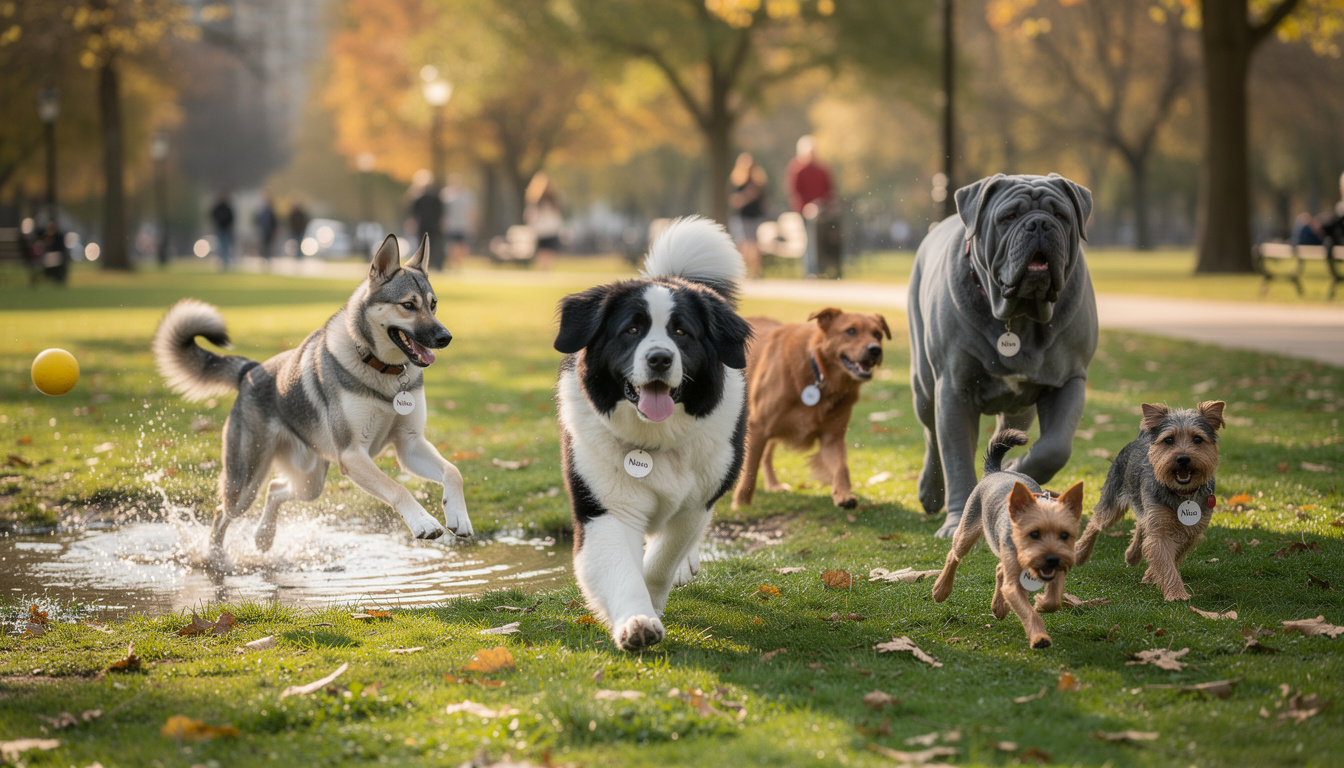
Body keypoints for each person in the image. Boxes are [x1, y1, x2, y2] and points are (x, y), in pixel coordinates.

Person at [784, 135, 837, 277]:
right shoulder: (797, 169)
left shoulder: (822, 169)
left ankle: (824, 269)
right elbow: (794, 191)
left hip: (822, 210)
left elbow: (829, 190)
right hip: (804, 211)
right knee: (809, 239)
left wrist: (821, 204)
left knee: (824, 240)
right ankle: (810, 271)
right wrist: (806, 206)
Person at [728, 152, 768, 279]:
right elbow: (733, 201)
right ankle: (741, 270)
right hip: (742, 217)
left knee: (754, 245)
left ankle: (755, 272)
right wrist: (747, 196)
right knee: (742, 244)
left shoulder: (759, 184)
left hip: (755, 217)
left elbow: (764, 202)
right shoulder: (737, 183)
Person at [524, 172, 563, 271]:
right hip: (543, 229)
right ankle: (544, 269)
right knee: (544, 251)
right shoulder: (537, 201)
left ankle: (545, 269)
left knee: (547, 250)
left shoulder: (553, 199)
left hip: (548, 229)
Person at [1293, 171, 1344, 247]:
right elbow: (1331, 222)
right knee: (1304, 226)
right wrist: (1314, 223)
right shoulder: (1339, 212)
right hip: (1328, 236)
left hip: (1334, 240)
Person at [409, 170, 445, 270]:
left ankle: (436, 264)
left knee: (434, 245)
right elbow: (414, 213)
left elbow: (440, 212)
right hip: (424, 225)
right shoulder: (418, 198)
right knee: (423, 245)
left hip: (433, 225)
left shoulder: (435, 198)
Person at [441, 173, 477, 270]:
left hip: (463, 224)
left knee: (462, 246)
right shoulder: (446, 194)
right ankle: (452, 263)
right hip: (451, 224)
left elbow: (470, 211)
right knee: (451, 245)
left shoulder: (467, 195)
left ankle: (459, 264)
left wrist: (472, 223)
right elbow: (443, 210)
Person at [210, 191, 236, 270]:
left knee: (226, 246)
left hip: (226, 229)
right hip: (220, 229)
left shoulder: (227, 207)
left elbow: (232, 218)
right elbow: (212, 215)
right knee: (221, 246)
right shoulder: (218, 207)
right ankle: (222, 262)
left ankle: (226, 263)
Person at [256, 191, 279, 261]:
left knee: (269, 247)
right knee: (264, 247)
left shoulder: (271, 212)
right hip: (264, 231)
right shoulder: (262, 211)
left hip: (269, 231)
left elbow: (274, 222)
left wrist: (274, 231)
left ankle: (268, 259)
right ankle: (264, 258)